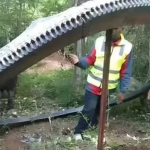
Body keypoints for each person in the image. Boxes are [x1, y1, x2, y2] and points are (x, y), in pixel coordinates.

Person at [66, 27, 133, 141]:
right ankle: (78, 132)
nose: (113, 30)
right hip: (93, 83)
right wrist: (78, 61)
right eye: (111, 27)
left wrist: (123, 91)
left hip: (109, 87)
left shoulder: (127, 47)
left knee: (99, 109)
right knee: (89, 109)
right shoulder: (99, 41)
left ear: (122, 29)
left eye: (116, 28)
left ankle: (93, 127)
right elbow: (90, 60)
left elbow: (125, 71)